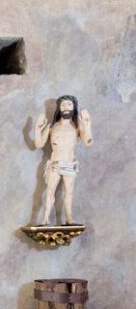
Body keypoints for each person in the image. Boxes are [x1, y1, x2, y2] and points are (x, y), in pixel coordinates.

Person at [34, 95, 93, 226]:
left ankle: (69, 218)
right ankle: (45, 219)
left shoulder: (77, 126)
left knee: (69, 191)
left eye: (69, 105)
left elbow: (88, 142)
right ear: (59, 108)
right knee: (49, 191)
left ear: (74, 107)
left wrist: (87, 125)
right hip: (55, 164)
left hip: (69, 164)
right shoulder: (52, 127)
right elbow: (38, 144)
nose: (66, 108)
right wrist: (37, 129)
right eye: (63, 105)